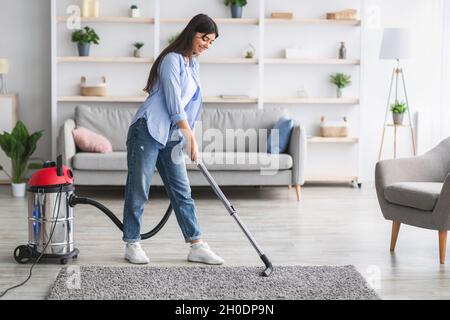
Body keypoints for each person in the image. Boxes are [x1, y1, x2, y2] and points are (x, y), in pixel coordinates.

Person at [122, 14, 223, 265]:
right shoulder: (172, 60)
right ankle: (132, 243)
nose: (206, 45)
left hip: (171, 135)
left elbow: (191, 105)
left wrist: (188, 135)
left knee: (182, 190)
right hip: (147, 129)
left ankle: (196, 244)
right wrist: (187, 133)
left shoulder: (193, 64)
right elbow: (173, 99)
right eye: (204, 38)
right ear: (192, 33)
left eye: (211, 42)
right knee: (139, 189)